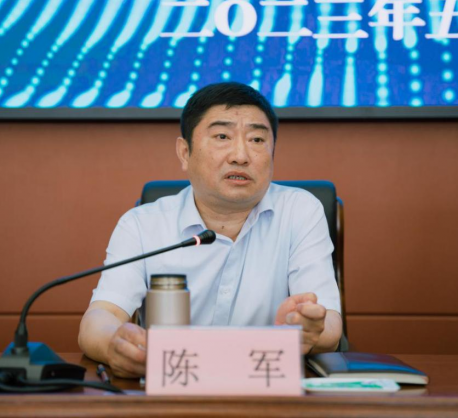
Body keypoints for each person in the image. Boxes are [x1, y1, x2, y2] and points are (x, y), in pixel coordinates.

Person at [78, 82, 342, 378]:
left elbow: (330, 325)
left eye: (257, 139)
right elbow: (100, 318)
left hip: (266, 382)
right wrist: (114, 345)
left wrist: (306, 327)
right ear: (184, 152)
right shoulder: (142, 224)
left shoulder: (300, 211)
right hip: (173, 383)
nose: (240, 155)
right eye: (222, 136)